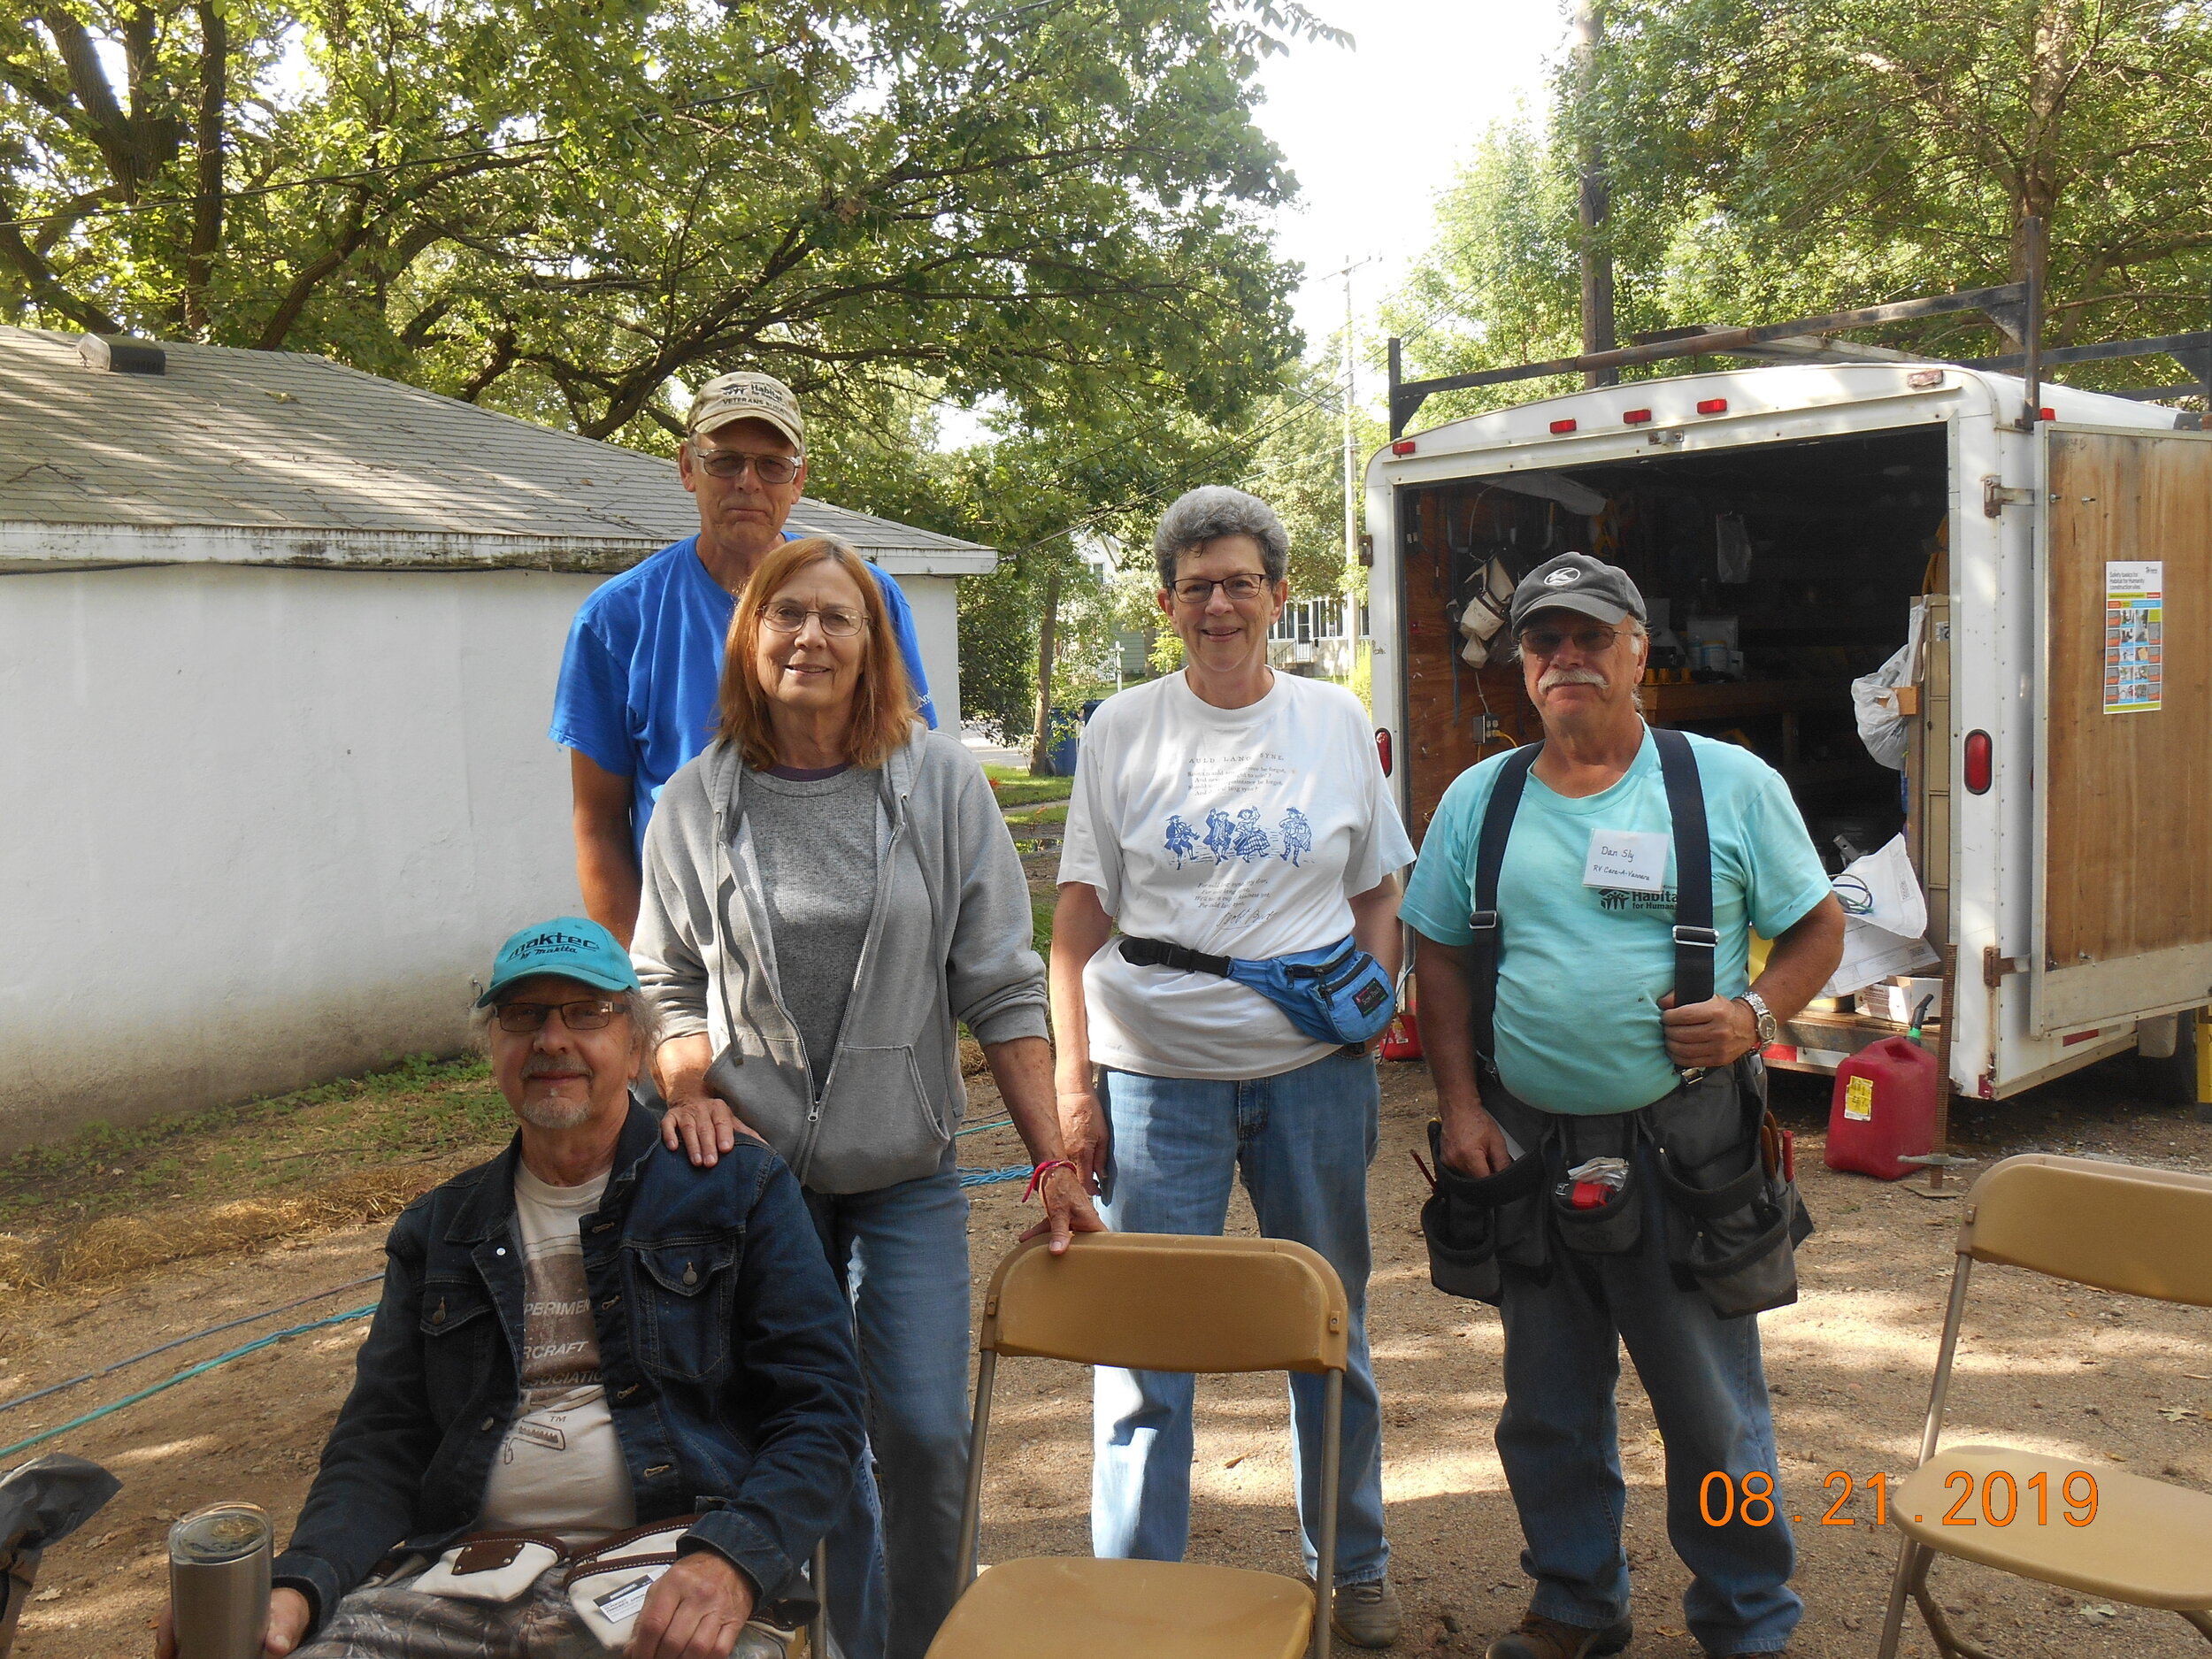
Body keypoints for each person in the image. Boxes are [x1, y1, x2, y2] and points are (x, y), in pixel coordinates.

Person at [631, 536, 1102, 1659]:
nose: (809, 636)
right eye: (785, 613)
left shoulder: (940, 787)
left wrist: (1051, 1162)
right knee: (815, 1433)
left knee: (929, 1432)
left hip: (906, 1171)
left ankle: (929, 1640)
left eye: (837, 617)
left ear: (872, 644)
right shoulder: (696, 802)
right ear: (750, 637)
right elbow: (664, 982)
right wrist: (690, 1088)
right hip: (757, 1185)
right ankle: (848, 1642)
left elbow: (997, 981)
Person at [155, 918, 866, 1659]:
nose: (551, 1039)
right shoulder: (438, 1231)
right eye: (523, 1015)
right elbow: (380, 1444)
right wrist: (298, 1585)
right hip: (455, 1588)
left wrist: (731, 1561)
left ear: (635, 1047)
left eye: (586, 1012)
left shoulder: (735, 1190)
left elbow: (823, 1406)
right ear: (495, 1050)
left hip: (663, 1581)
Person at [1401, 552, 1846, 1659]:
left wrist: (1756, 1015)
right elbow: (1439, 959)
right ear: (1525, 666)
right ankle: (1575, 1604)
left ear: (1639, 652)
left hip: (1687, 1148)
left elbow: (1817, 927)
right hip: (1525, 1148)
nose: (1564, 659)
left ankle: (1748, 1620)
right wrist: (1459, 1107)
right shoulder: (1479, 799)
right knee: (1545, 1408)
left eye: (1590, 637)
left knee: (1713, 1414)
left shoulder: (1726, 785)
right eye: (1543, 642)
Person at [1048, 486, 1416, 1649]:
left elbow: (1378, 890)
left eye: (1241, 581)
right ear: (1167, 603)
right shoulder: (1121, 729)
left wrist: (1362, 1005)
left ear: (1277, 595)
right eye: (1197, 584)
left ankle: (1351, 1562)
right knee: (1147, 1335)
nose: (1220, 603)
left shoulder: (1333, 722)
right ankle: (1137, 1584)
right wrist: (1073, 1091)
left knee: (1328, 1319)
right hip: (1155, 1077)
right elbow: (1073, 925)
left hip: (1312, 1075)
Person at [550, 371, 935, 946]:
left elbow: (918, 783)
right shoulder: (616, 621)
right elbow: (599, 822)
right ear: (687, 467)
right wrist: (645, 980)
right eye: (725, 461)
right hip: (695, 966)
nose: (748, 483)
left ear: (798, 479)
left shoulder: (869, 602)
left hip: (861, 948)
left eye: (772, 464)